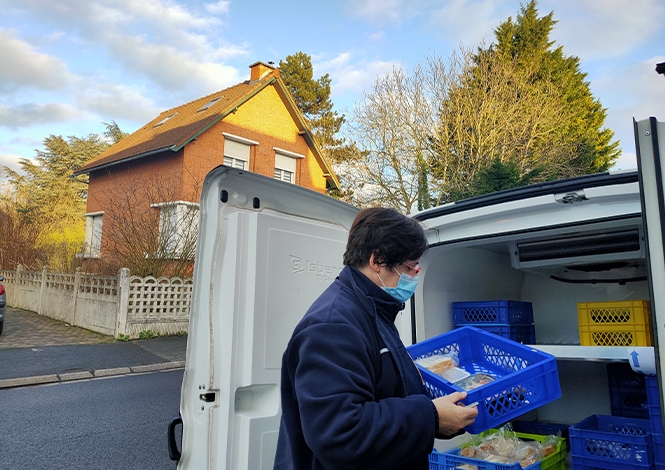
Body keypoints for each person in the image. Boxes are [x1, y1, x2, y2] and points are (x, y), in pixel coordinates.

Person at [274, 207, 478, 470]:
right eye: (408, 267)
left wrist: (445, 414)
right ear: (377, 260)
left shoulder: (373, 309)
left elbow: (387, 393)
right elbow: (341, 433)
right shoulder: (332, 325)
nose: (415, 275)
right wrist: (431, 418)